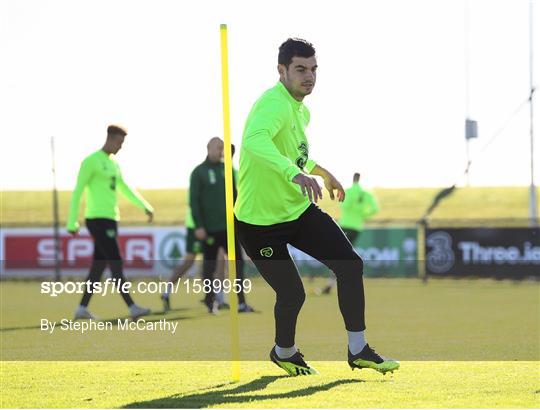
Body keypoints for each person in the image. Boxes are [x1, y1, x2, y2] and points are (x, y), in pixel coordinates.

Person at [234, 38, 399, 376]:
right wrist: (293, 173)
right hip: (258, 224)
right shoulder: (272, 104)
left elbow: (296, 155)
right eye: (300, 69)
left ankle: (359, 349)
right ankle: (285, 352)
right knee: (293, 294)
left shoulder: (300, 109)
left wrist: (323, 173)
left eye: (313, 69)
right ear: (281, 70)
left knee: (350, 265)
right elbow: (254, 142)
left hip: (296, 211)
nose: (308, 76)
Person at [67, 124, 153, 320]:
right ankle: (132, 307)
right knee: (116, 261)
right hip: (97, 219)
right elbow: (78, 191)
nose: (121, 147)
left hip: (111, 220)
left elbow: (124, 188)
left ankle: (81, 308)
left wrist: (145, 206)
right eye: (120, 142)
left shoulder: (114, 164)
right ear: (111, 138)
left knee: (98, 266)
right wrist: (71, 222)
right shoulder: (91, 161)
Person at [190, 137, 254, 314]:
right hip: (210, 230)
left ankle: (241, 302)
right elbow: (194, 201)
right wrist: (199, 226)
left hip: (229, 229)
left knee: (238, 265)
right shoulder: (199, 172)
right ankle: (211, 302)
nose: (221, 151)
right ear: (208, 147)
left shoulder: (228, 170)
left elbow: (236, 196)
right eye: (218, 147)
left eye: (223, 148)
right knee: (209, 266)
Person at [318, 172, 380, 295]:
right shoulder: (366, 194)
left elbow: (344, 205)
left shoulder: (348, 191)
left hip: (345, 225)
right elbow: (375, 209)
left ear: (353, 179)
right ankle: (336, 284)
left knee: (339, 255)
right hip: (357, 227)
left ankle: (335, 284)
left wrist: (353, 208)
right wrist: (362, 214)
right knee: (344, 254)